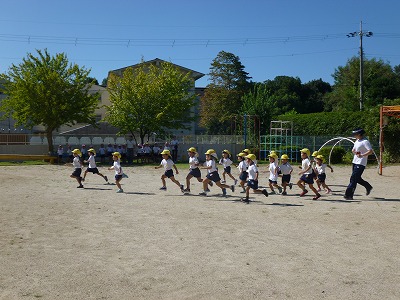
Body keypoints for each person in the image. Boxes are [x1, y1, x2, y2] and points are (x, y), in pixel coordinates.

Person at [344, 128, 374, 200]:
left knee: (353, 179)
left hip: (361, 163)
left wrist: (362, 155)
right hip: (355, 161)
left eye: (355, 134)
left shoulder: (365, 141)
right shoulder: (357, 141)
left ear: (359, 134)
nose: (354, 135)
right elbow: (355, 150)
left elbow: (370, 151)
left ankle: (348, 195)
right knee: (356, 178)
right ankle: (368, 186)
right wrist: (354, 151)